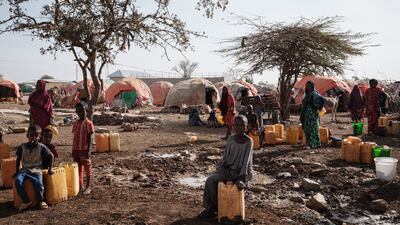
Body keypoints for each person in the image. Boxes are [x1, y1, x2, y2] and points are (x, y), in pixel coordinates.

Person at [199, 115, 253, 219]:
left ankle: (218, 207)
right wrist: (222, 168)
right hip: (228, 169)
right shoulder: (231, 139)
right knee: (210, 180)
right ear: (233, 127)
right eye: (237, 125)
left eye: (242, 125)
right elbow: (225, 158)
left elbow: (247, 162)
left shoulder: (249, 141)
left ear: (246, 127)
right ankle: (212, 207)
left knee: (238, 185)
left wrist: (241, 178)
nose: (240, 127)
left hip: (240, 173)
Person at [14, 125, 54, 212]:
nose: (34, 137)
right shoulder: (22, 147)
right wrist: (17, 171)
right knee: (18, 181)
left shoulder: (41, 147)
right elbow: (18, 159)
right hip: (24, 170)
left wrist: (50, 169)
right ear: (27, 135)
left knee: (38, 183)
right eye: (32, 135)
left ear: (40, 136)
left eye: (36, 135)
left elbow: (51, 155)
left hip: (36, 169)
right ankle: (26, 200)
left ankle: (40, 200)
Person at [72, 101, 95, 194]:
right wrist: (73, 149)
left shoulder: (88, 123)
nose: (80, 113)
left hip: (84, 149)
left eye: (82, 111)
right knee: (78, 167)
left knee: (87, 167)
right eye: (78, 111)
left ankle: (88, 186)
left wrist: (89, 150)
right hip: (76, 148)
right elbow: (75, 136)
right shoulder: (76, 123)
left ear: (87, 111)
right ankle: (80, 185)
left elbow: (90, 137)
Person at [300, 81, 324, 149]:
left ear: (312, 86)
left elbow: (321, 100)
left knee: (313, 129)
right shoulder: (307, 94)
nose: (308, 87)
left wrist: (316, 107)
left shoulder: (313, 93)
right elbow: (304, 101)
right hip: (307, 114)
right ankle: (311, 144)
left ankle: (314, 144)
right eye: (307, 86)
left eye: (310, 86)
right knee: (308, 129)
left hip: (312, 114)